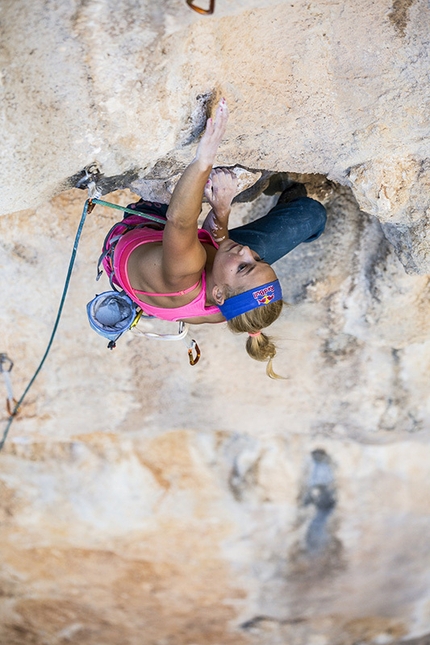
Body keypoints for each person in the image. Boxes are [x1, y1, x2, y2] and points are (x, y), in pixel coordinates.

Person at [101, 98, 326, 377]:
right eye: (259, 259)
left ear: (218, 293)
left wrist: (204, 156)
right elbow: (219, 243)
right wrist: (221, 209)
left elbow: (180, 220)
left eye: (246, 266)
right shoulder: (231, 309)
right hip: (206, 264)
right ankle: (282, 193)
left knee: (185, 203)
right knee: (312, 215)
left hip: (150, 226)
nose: (246, 250)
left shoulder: (184, 273)